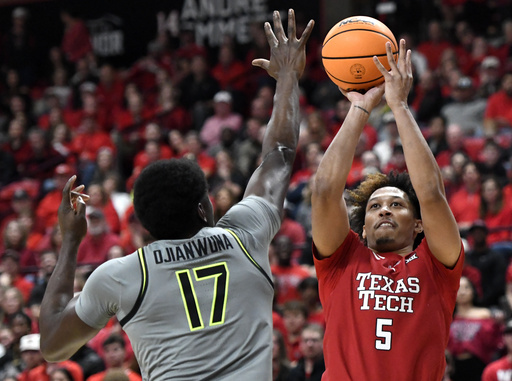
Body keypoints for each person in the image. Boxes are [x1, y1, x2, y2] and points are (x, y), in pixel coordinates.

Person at [39, 9, 314, 380]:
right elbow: (279, 154)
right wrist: (286, 79)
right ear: (204, 207)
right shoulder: (243, 236)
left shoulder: (121, 275)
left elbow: (53, 343)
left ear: (144, 224)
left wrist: (70, 242)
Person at [310, 39, 464, 380]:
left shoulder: (437, 266)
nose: (384, 211)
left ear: (419, 225)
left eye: (397, 205)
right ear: (361, 229)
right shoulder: (342, 260)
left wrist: (399, 106)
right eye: (375, 206)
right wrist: (359, 108)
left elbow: (431, 194)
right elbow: (323, 191)